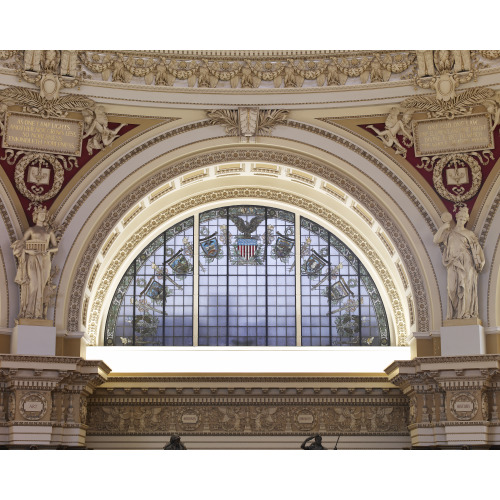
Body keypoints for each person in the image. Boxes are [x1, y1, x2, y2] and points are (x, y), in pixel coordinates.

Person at [433, 207, 485, 320]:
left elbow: (477, 249)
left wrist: (481, 261)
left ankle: (465, 312)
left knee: (466, 286)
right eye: (460, 217)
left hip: (467, 261)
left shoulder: (469, 234)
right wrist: (443, 227)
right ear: (456, 218)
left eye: (464, 218)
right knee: (451, 289)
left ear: (467, 220)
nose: (462, 219)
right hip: (453, 262)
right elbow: (436, 239)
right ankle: (456, 313)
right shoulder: (449, 232)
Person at [11, 206, 58, 320]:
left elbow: (55, 247)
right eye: (40, 214)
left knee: (41, 286)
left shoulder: (49, 232)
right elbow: (19, 245)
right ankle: (29, 312)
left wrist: (48, 250)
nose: (42, 216)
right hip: (32, 259)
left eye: (44, 215)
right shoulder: (31, 230)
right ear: (36, 216)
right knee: (34, 285)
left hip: (45, 260)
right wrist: (28, 251)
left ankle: (38, 313)